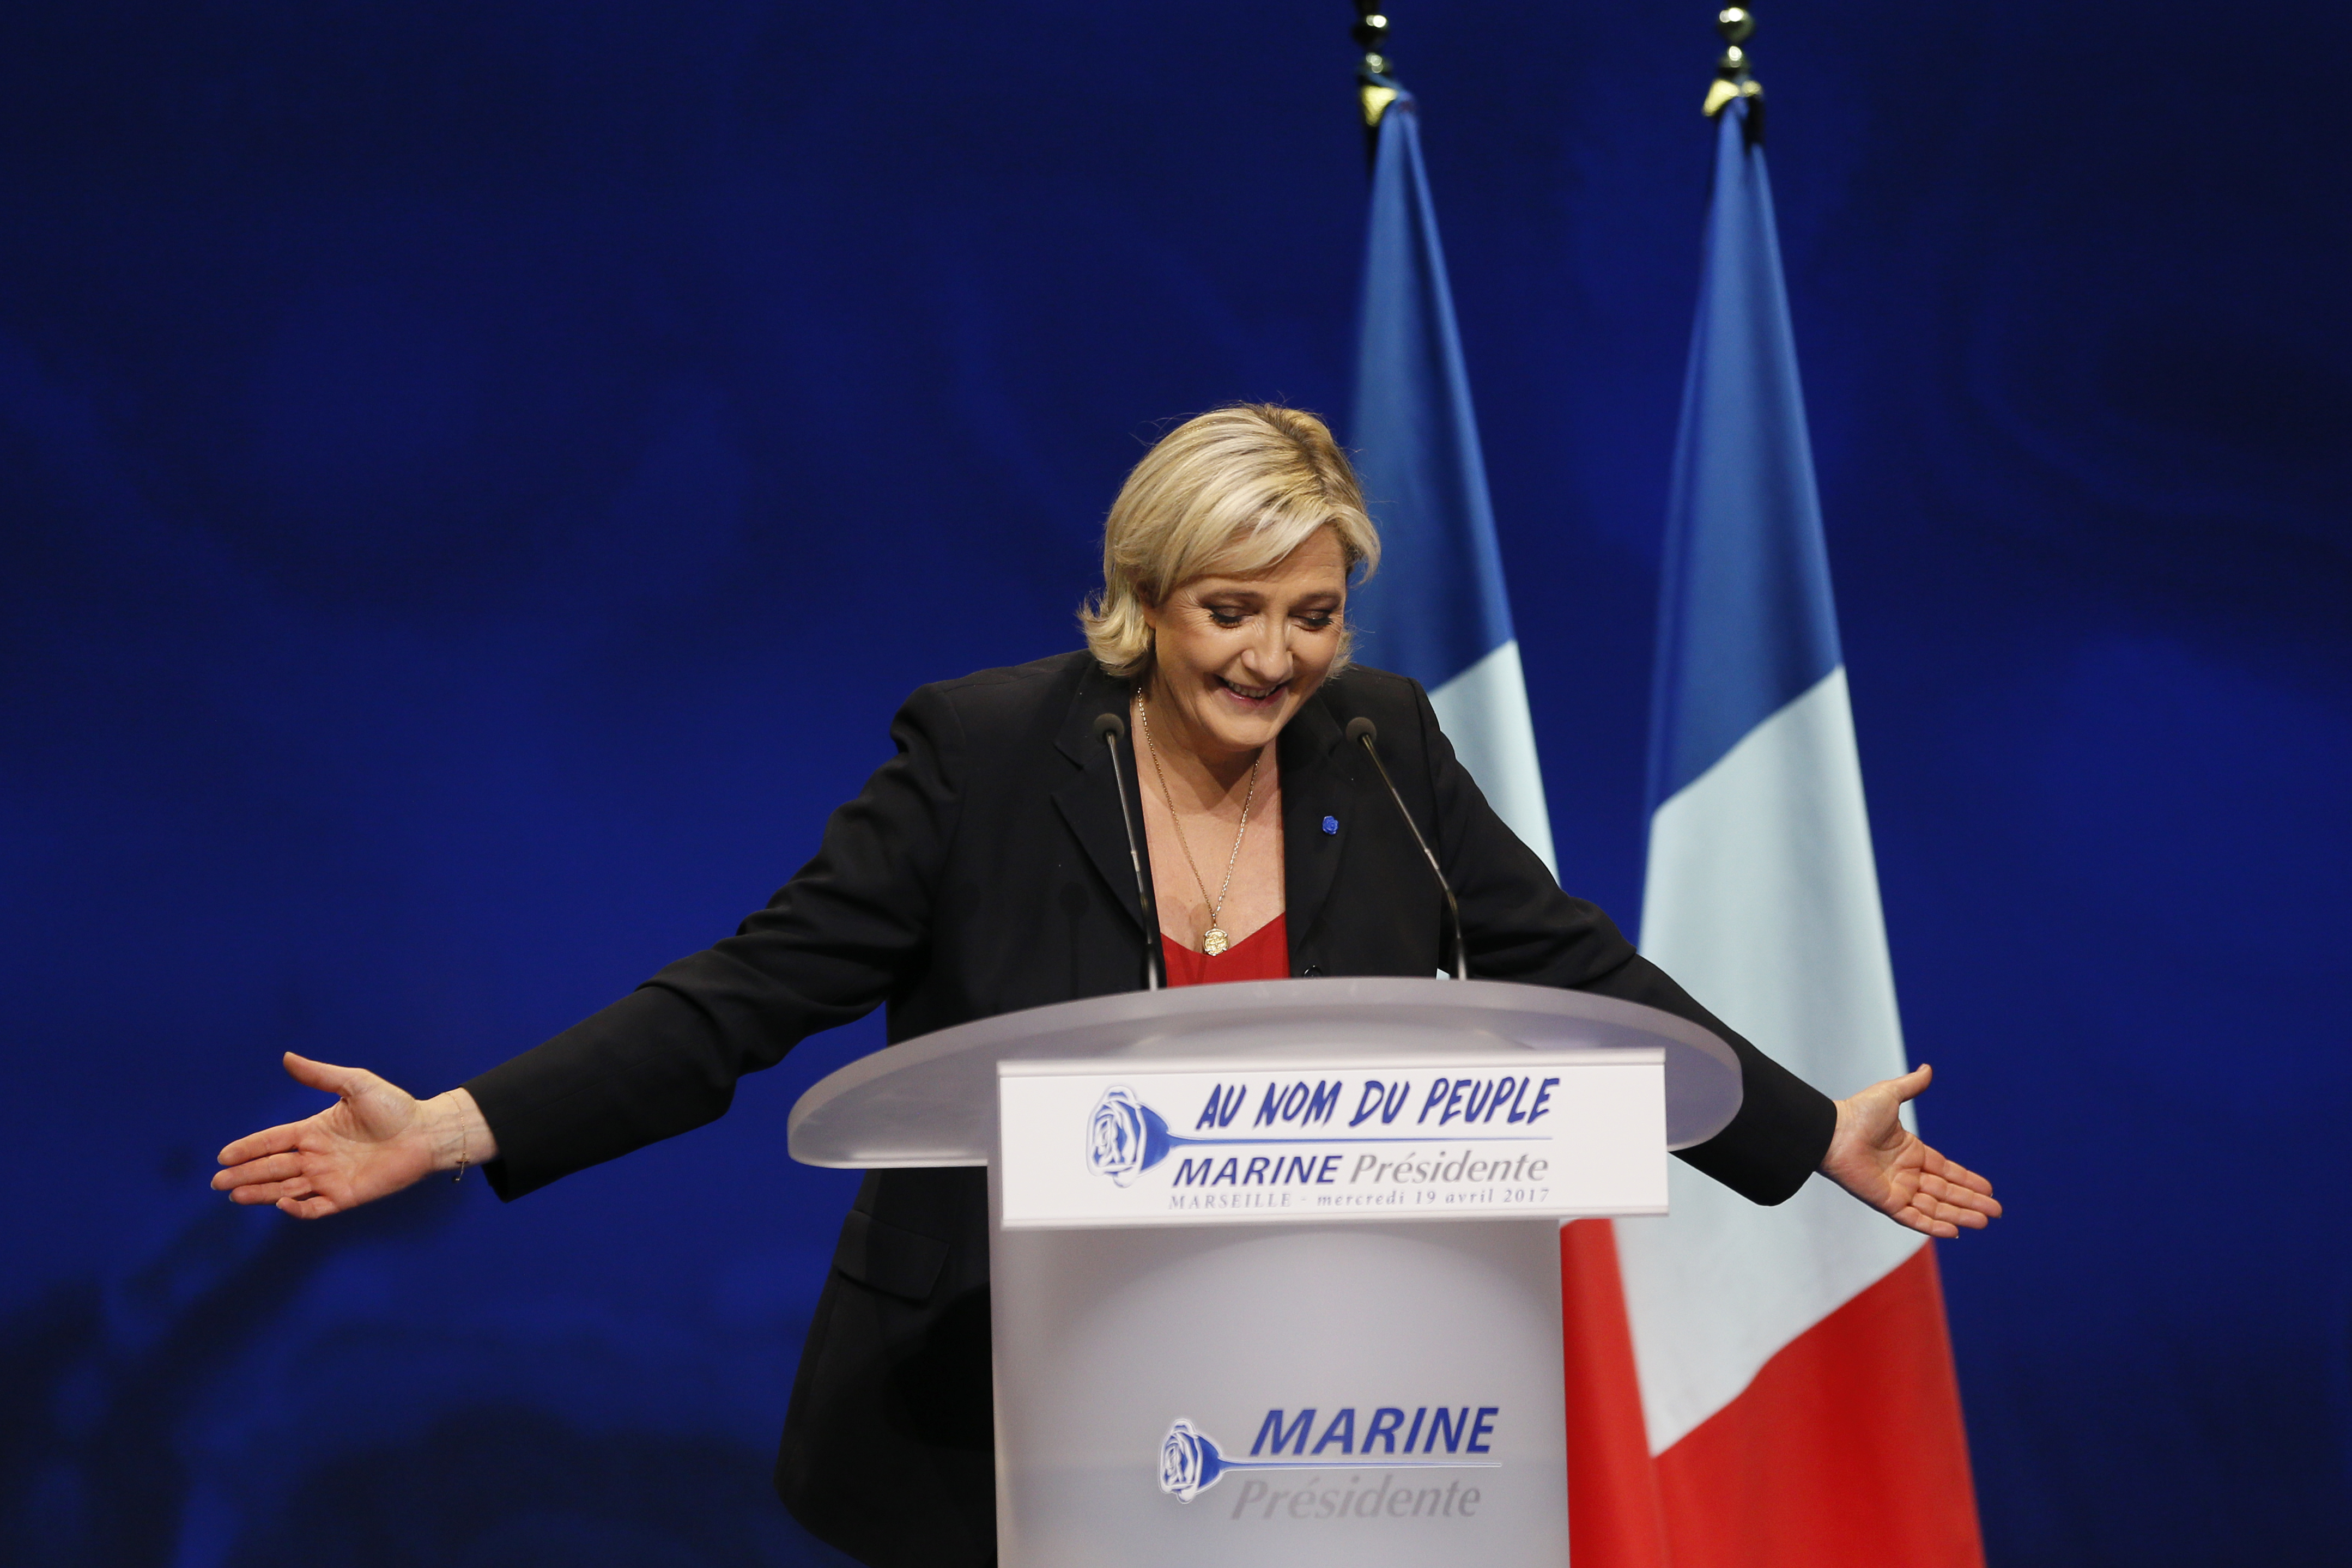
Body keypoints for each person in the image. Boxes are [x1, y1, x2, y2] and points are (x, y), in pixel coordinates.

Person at [214, 404, 1999, 1567]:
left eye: (1313, 614)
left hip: (1320, 1417)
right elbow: (752, 992)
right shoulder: (985, 755)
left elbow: (1560, 953)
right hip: (1004, 1421)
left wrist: (1799, 1130)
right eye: (1233, 610)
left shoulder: (1374, 746)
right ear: (1145, 599)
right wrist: (457, 1126)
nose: (1276, 659)